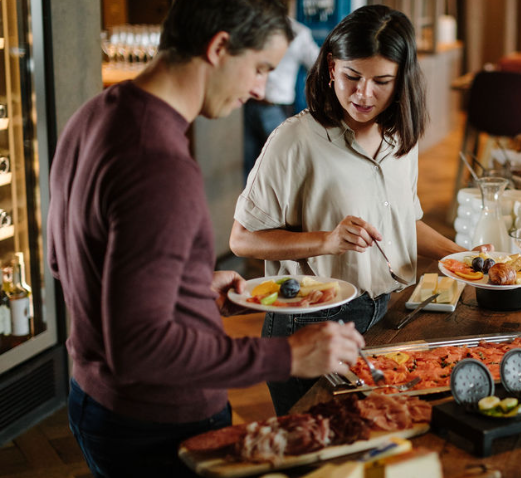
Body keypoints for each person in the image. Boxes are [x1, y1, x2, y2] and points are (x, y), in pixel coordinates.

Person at [46, 1, 365, 476]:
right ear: (218, 47)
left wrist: (186, 286)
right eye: (258, 68)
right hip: (158, 423)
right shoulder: (160, 166)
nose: (260, 89)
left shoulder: (94, 113)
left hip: (94, 398)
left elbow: (65, 260)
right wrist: (289, 354)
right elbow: (141, 347)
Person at [229, 5, 489, 414]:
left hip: (382, 312)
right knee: (316, 452)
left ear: (402, 80)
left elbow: (403, 224)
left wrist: (462, 257)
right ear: (331, 68)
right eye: (352, 77)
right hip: (309, 322)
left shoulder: (401, 136)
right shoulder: (295, 141)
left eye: (381, 81)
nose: (364, 94)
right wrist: (327, 241)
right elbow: (242, 240)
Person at [243, 17, 320, 181]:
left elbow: (319, 65)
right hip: (249, 104)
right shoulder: (255, 25)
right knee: (252, 167)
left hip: (275, 108)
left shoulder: (298, 33)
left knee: (282, 166)